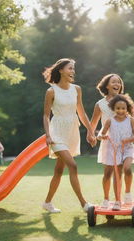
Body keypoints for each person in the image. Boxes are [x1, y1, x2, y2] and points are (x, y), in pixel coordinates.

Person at [42, 58, 95, 213]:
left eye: (73, 68)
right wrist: (47, 135)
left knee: (59, 170)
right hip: (57, 131)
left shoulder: (76, 89)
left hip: (72, 130)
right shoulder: (51, 91)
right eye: (70, 68)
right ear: (61, 70)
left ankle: (47, 202)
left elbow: (81, 112)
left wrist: (91, 131)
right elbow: (45, 116)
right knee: (73, 165)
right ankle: (84, 204)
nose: (73, 71)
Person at [88, 74, 134, 208]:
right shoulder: (100, 104)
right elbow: (94, 123)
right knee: (107, 173)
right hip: (108, 141)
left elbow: (130, 118)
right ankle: (106, 199)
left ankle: (118, 200)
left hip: (122, 142)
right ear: (106, 85)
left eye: (119, 82)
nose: (117, 84)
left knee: (119, 172)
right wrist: (91, 136)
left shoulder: (124, 101)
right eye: (114, 82)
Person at [98, 94, 134, 210]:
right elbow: (102, 134)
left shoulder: (130, 120)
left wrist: (128, 140)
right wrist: (102, 136)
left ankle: (127, 192)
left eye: (123, 108)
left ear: (127, 109)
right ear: (113, 109)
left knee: (127, 169)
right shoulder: (109, 121)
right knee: (113, 175)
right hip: (113, 149)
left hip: (127, 148)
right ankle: (115, 200)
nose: (121, 111)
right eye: (118, 108)